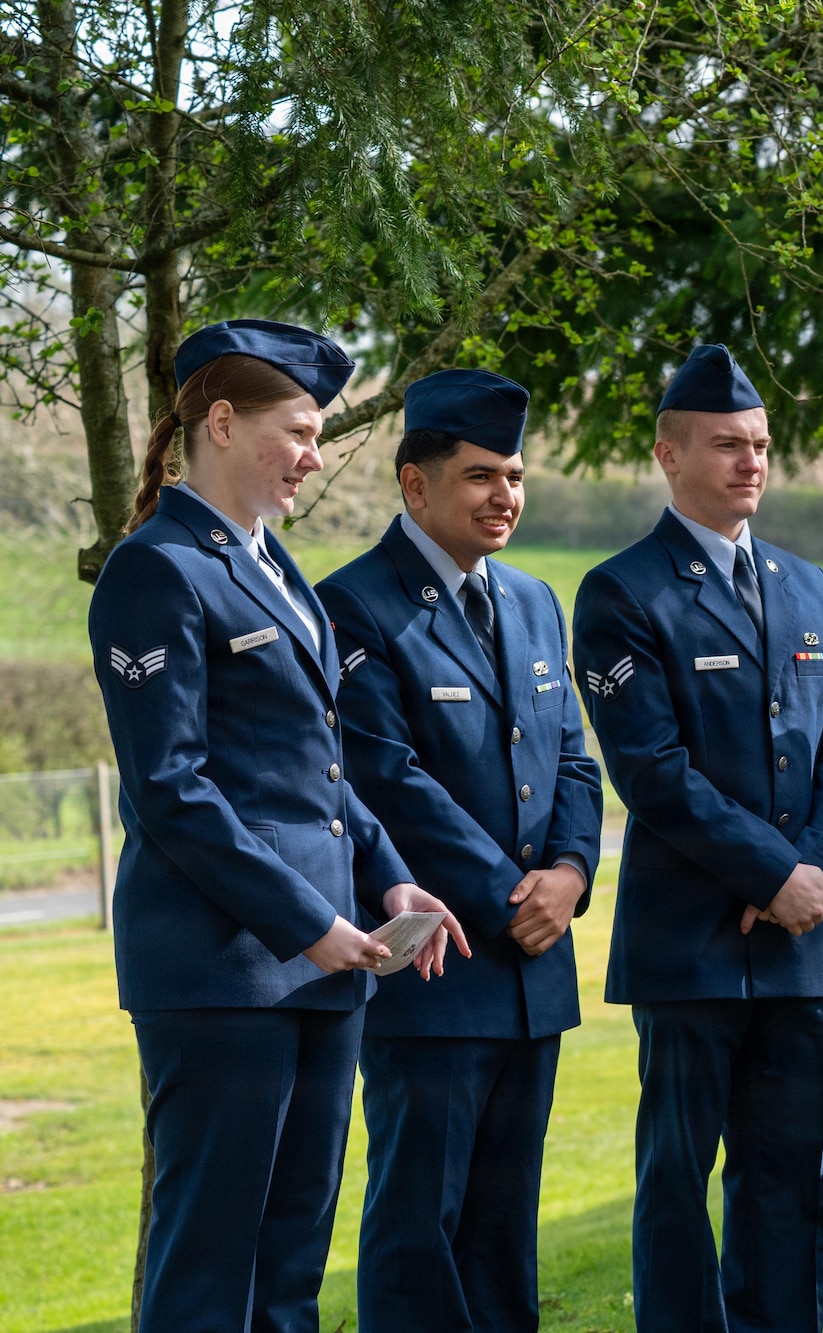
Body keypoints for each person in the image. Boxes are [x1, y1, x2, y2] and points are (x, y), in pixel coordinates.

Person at [89, 320, 466, 1333]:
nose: (314, 453)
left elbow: (321, 764)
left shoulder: (278, 568)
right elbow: (173, 790)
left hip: (324, 964)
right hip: (223, 972)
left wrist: (390, 880)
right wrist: (308, 919)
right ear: (220, 423)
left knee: (291, 1260)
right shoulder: (155, 569)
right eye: (297, 430)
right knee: (212, 1264)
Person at [572, 343, 823, 1333]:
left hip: (799, 945)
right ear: (667, 454)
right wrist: (769, 870)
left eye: (757, 444)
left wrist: (812, 875)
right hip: (688, 949)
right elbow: (652, 771)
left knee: (794, 1177)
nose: (748, 461)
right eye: (723, 445)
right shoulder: (621, 594)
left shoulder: (808, 589)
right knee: (674, 1181)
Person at [316, 368, 604, 1333]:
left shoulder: (532, 600)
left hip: (533, 967)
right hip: (437, 968)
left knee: (503, 1231)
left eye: (516, 476)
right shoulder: (351, 606)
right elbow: (386, 777)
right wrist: (509, 895)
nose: (506, 496)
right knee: (417, 1230)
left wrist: (568, 876)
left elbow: (572, 757)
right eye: (482, 475)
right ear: (414, 484)